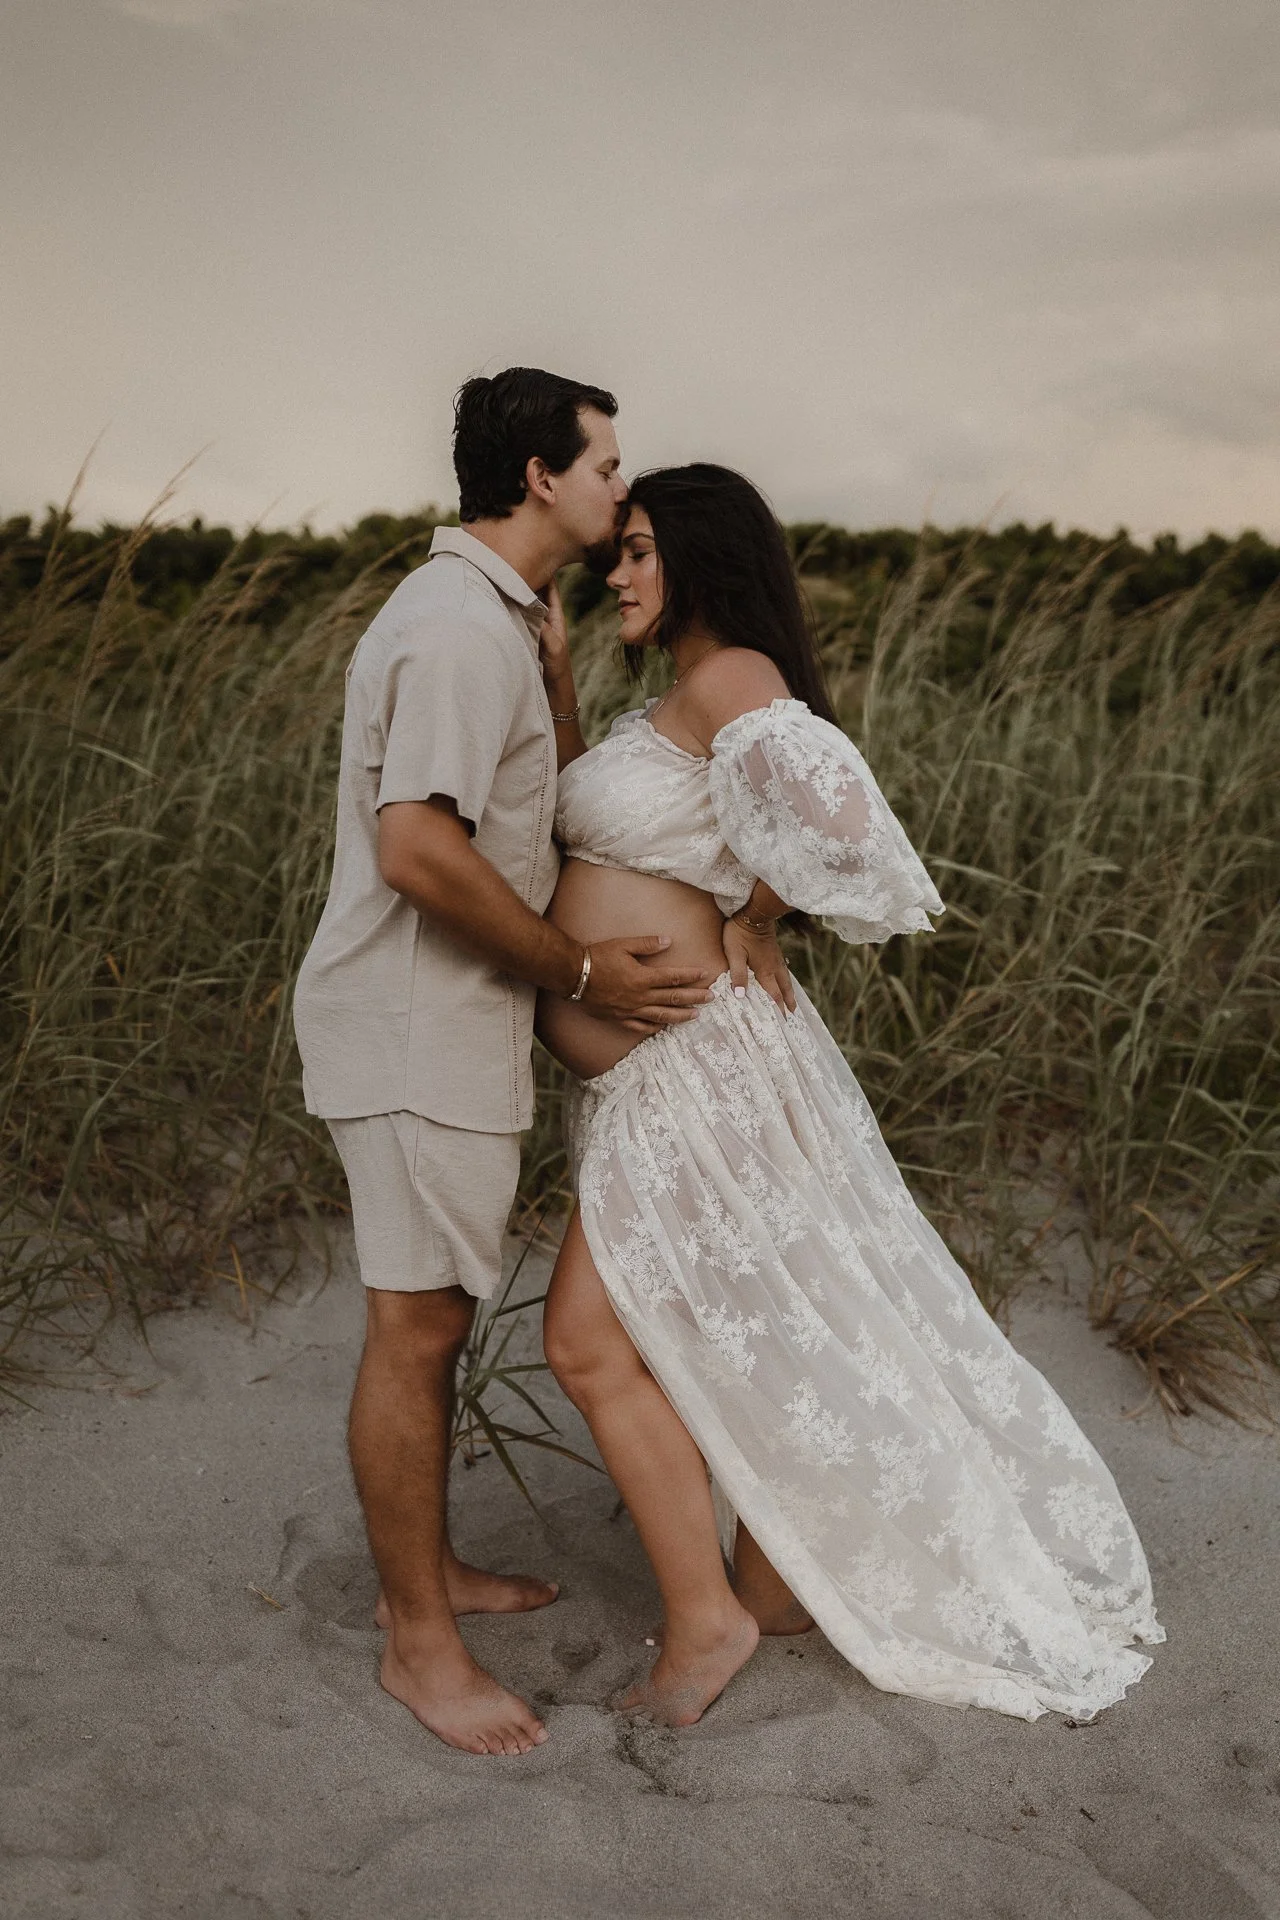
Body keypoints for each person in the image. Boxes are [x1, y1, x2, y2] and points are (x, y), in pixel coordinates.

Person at [535, 463, 1164, 1727]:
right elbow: (609, 822)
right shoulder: (683, 694)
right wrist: (558, 684)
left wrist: (770, 906)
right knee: (770, 1325)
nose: (619, 570)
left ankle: (709, 1623)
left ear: (701, 558)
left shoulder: (730, 680)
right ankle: (769, 1586)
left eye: (641, 549)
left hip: (696, 1070)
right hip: (669, 1077)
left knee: (587, 1341)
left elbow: (836, 817)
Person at [292, 371, 717, 1757]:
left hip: (449, 1033)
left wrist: (561, 685)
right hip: (415, 1031)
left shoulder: (497, 626)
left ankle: (434, 1582)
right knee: (414, 1333)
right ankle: (420, 1643)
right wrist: (579, 971)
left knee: (436, 1322)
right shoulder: (454, 631)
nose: (617, 487)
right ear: (541, 476)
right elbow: (420, 850)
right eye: (604, 465)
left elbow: (524, 816)